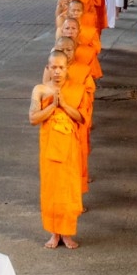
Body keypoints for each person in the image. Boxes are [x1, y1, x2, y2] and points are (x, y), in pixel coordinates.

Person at [30, 51, 84, 247]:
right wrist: (53, 106)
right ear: (48, 68)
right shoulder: (40, 90)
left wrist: (65, 105)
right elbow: (33, 118)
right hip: (50, 148)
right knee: (51, 190)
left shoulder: (77, 89)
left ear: (67, 68)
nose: (57, 71)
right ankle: (54, 233)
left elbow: (81, 118)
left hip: (69, 148)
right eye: (53, 67)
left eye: (61, 67)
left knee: (68, 190)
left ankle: (67, 233)